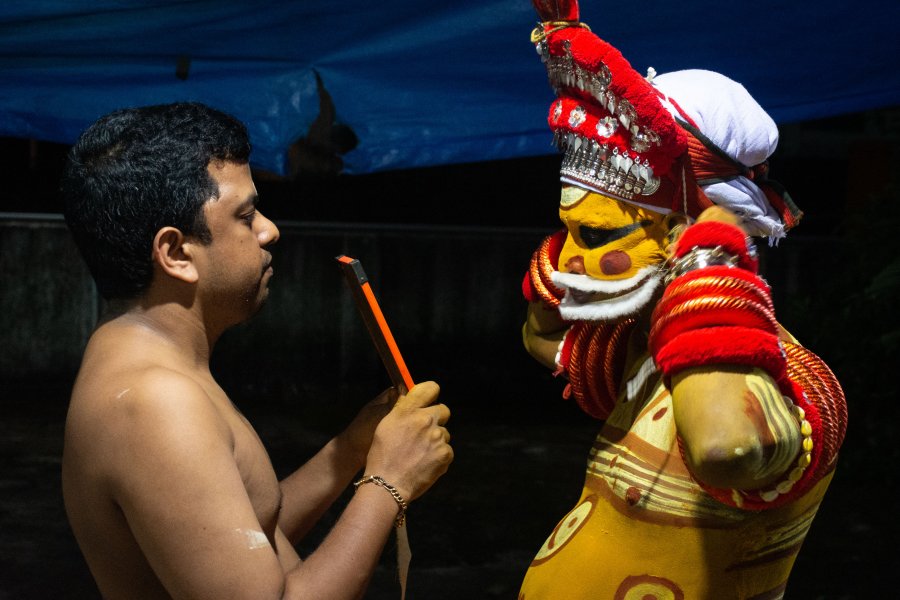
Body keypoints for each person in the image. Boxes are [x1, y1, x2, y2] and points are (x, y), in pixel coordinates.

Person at [517, 0, 847, 598]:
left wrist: (710, 258)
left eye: (594, 235)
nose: (566, 259)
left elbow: (725, 447)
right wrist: (560, 275)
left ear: (684, 235)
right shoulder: (648, 359)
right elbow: (542, 338)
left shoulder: (792, 385)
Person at [60, 102, 453, 600]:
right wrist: (389, 480)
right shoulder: (155, 404)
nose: (269, 230)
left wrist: (350, 450)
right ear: (177, 253)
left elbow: (241, 540)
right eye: (246, 216)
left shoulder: (143, 357)